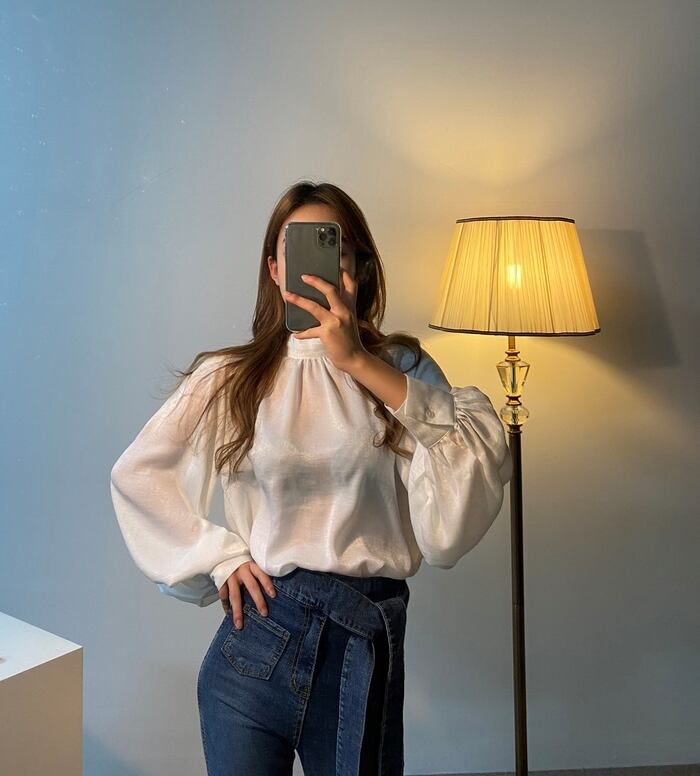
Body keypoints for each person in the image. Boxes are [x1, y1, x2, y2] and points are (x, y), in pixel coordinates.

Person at [109, 180, 513, 776]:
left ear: (359, 266)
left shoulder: (400, 368)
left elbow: (449, 530)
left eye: (335, 249)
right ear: (274, 269)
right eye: (295, 250)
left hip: (361, 640)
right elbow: (138, 474)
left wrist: (355, 360)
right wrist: (218, 558)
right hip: (255, 646)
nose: (319, 267)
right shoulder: (232, 378)